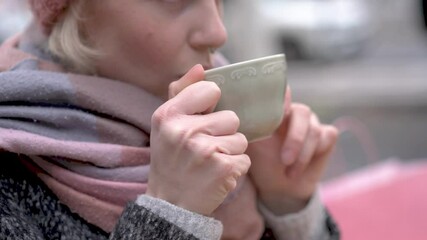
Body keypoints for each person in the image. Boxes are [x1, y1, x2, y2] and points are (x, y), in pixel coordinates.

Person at [0, 0, 340, 239]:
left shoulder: (222, 127)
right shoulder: (11, 170)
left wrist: (287, 206)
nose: (217, 32)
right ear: (76, 10)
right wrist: (171, 212)